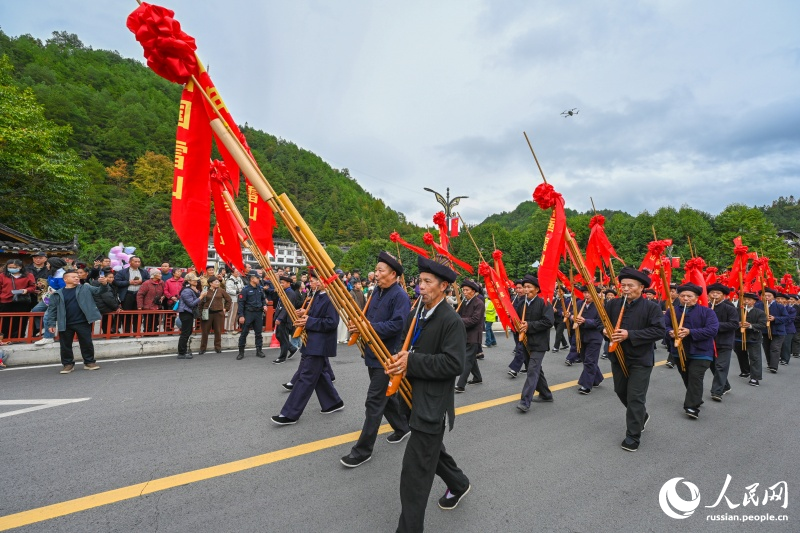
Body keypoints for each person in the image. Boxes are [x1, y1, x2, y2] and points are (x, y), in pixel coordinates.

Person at [386, 256, 470, 531]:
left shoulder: (451, 320)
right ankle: (459, 483)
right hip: (411, 398)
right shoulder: (417, 313)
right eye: (419, 281)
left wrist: (411, 362)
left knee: (414, 475)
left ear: (443, 286)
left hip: (431, 407)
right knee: (433, 453)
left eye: (427, 282)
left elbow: (454, 364)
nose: (420, 286)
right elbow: (406, 346)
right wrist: (398, 360)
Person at [341, 252, 411, 468]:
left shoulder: (400, 296)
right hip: (373, 353)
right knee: (386, 397)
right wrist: (358, 326)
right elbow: (367, 320)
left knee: (374, 401)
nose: (376, 274)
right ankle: (402, 427)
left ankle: (362, 451)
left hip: (388, 356)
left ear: (393, 274)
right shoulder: (376, 292)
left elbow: (398, 325)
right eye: (376, 270)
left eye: (381, 270)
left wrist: (368, 327)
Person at [604, 267, 665, 451]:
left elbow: (659, 331)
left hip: (640, 359)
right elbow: (601, 321)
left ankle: (633, 436)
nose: (625, 289)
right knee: (620, 391)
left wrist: (630, 334)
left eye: (630, 285)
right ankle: (641, 416)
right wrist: (604, 330)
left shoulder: (652, 307)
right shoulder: (613, 304)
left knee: (635, 397)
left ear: (641, 287)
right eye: (623, 285)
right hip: (617, 356)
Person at [271, 268, 343, 425]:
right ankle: (333, 402)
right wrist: (304, 313)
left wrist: (308, 320)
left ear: (324, 281)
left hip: (320, 344)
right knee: (319, 375)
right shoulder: (317, 294)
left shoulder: (331, 297)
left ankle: (290, 414)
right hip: (311, 340)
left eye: (315, 279)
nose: (312, 282)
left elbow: (331, 322)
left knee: (306, 377)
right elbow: (315, 315)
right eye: (311, 280)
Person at [666, 284, 719, 419]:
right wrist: (670, 332)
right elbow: (664, 326)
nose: (685, 299)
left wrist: (690, 332)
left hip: (702, 351)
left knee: (695, 376)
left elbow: (712, 330)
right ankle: (696, 398)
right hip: (679, 350)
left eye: (689, 296)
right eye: (682, 296)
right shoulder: (671, 310)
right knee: (687, 377)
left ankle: (691, 406)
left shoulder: (707, 312)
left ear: (696, 298)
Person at [44, 269, 109, 374]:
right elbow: (52, 310)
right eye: (73, 276)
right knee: (65, 345)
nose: (76, 278)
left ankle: (89, 362)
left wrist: (104, 284)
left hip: (83, 322)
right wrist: (51, 324)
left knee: (86, 343)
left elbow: (99, 291)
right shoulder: (57, 294)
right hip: (65, 323)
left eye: (77, 276)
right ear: (65, 279)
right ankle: (68, 364)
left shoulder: (85, 287)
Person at [516, 275, 555, 412]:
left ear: (537, 289)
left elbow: (548, 322)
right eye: (524, 287)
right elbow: (517, 321)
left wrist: (529, 325)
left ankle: (525, 402)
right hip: (526, 342)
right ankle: (546, 394)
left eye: (529, 287)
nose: (526, 290)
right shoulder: (521, 304)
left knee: (532, 370)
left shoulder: (544, 303)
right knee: (535, 369)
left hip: (539, 343)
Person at [707, 283, 740, 401]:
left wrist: (715, 325)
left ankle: (716, 392)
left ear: (723, 295)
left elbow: (734, 324)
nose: (715, 295)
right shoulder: (705, 307)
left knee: (721, 366)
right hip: (709, 342)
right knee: (712, 365)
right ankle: (725, 385)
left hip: (724, 342)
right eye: (712, 293)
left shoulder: (730, 308)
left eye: (718, 293)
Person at [571, 285, 605, 394]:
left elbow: (600, 322)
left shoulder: (600, 305)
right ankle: (597, 378)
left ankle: (586, 385)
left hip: (595, 337)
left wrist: (585, 321)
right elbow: (573, 315)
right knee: (587, 360)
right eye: (585, 292)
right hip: (581, 336)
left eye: (589, 293)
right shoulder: (579, 303)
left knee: (590, 361)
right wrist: (572, 317)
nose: (586, 295)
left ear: (595, 294)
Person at [455, 279, 485, 393]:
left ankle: (461, 385)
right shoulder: (464, 302)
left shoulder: (479, 303)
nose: (465, 292)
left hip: (474, 335)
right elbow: (458, 315)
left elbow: (475, 320)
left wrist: (458, 320)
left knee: (467, 359)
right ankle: (477, 378)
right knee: (471, 358)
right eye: (463, 290)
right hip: (465, 334)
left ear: (473, 291)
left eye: (467, 290)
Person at [734, 292, 768, 386]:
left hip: (754, 338)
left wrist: (750, 325)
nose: (746, 301)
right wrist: (737, 324)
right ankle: (745, 371)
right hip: (738, 337)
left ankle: (755, 378)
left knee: (755, 357)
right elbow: (731, 322)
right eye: (744, 299)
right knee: (741, 355)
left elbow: (763, 325)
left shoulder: (760, 312)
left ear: (754, 302)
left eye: (749, 300)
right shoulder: (736, 311)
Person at [0, 259, 36, 341]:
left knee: (20, 320)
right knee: (5, 321)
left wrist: (26, 290)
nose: (12, 269)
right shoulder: (2, 275)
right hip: (5, 301)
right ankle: (4, 338)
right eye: (10, 267)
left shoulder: (28, 275)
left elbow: (33, 287)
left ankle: (18, 338)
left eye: (14, 267)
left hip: (22, 301)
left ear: (20, 267)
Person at [237, 271, 268, 360]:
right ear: (252, 278)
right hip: (248, 313)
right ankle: (241, 352)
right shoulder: (245, 289)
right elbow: (241, 303)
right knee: (244, 333)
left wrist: (264, 305)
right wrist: (241, 315)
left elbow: (263, 299)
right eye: (257, 278)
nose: (258, 279)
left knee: (258, 333)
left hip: (258, 313)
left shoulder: (260, 288)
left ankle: (259, 350)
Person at [114, 256, 149, 334]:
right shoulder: (122, 272)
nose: (137, 263)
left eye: (139, 262)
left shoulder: (144, 272)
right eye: (135, 261)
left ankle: (137, 332)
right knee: (126, 314)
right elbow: (116, 282)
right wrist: (129, 282)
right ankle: (126, 332)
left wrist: (141, 281)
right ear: (130, 262)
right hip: (127, 294)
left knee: (138, 314)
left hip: (139, 295)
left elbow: (149, 280)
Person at [758, 287, 790, 374]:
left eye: (769, 296)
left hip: (778, 331)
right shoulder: (758, 306)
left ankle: (774, 366)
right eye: (764, 295)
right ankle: (770, 363)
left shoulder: (780, 306)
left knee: (775, 348)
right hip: (765, 331)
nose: (767, 297)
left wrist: (775, 318)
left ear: (773, 297)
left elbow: (786, 318)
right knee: (767, 348)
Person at [198, 276, 232, 354]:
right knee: (205, 332)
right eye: (216, 282)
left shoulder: (221, 290)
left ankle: (218, 347)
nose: (218, 283)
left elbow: (229, 299)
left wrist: (225, 309)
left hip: (218, 313)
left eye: (218, 282)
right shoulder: (205, 290)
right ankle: (202, 348)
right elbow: (201, 303)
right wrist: (200, 313)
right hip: (207, 313)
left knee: (218, 331)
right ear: (210, 283)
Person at [272, 275, 300, 364]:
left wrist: (280, 318)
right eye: (280, 282)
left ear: (288, 283)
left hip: (285, 319)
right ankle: (292, 348)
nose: (281, 284)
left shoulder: (290, 293)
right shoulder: (284, 291)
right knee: (279, 336)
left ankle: (282, 357)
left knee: (283, 338)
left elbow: (286, 308)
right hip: (282, 317)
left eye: (283, 283)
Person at [176, 273, 203, 359]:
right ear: (189, 281)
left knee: (188, 332)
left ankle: (183, 351)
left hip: (188, 313)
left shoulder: (191, 290)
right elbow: (191, 304)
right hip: (185, 313)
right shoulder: (186, 291)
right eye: (194, 280)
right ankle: (181, 353)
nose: (196, 281)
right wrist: (201, 297)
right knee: (185, 333)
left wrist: (197, 292)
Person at [507, 280, 529, 377]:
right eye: (517, 288)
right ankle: (528, 367)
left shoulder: (527, 299)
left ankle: (514, 369)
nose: (518, 290)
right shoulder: (514, 298)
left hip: (523, 327)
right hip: (514, 327)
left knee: (520, 349)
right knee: (523, 348)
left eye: (520, 288)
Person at [92, 268, 121, 335]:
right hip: (103, 306)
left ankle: (108, 331)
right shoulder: (103, 285)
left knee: (106, 318)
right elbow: (108, 298)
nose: (112, 279)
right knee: (118, 312)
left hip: (102, 305)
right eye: (109, 277)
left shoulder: (108, 284)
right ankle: (111, 330)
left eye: (113, 277)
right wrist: (116, 307)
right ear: (104, 277)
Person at [137, 268, 165, 333]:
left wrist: (163, 296)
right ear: (154, 275)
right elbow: (140, 295)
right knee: (148, 321)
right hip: (148, 306)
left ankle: (154, 332)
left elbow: (165, 291)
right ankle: (147, 332)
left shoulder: (162, 283)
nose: (161, 275)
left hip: (157, 306)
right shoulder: (146, 283)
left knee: (156, 320)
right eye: (159, 274)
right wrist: (140, 306)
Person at [777, 293, 796, 365]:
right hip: (777, 328)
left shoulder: (791, 309)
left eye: (782, 299)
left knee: (786, 344)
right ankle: (779, 357)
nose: (780, 300)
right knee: (778, 344)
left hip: (788, 329)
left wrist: (778, 320)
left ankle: (785, 359)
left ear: (787, 300)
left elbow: (789, 320)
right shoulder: (775, 308)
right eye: (778, 299)